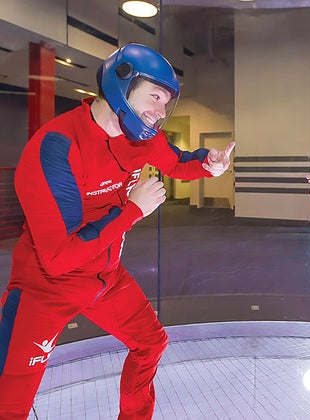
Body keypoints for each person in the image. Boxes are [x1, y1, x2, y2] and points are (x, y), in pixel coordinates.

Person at [0, 43, 234, 419]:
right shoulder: (57, 146)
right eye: (155, 97)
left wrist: (209, 164)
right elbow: (58, 258)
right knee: (9, 401)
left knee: (150, 342)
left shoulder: (141, 138)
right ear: (121, 84)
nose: (160, 112)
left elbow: (177, 163)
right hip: (47, 285)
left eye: (166, 103)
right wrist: (133, 211)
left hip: (104, 277)